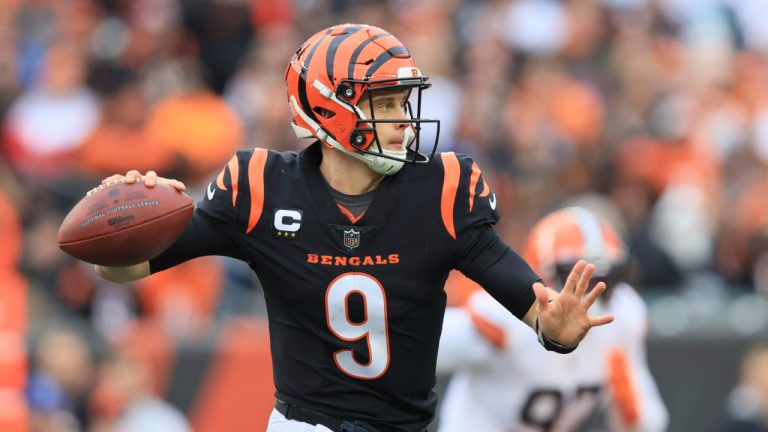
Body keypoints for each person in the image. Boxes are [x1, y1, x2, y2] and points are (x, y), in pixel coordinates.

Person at [89, 23, 613, 432]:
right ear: (329, 109)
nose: (404, 119)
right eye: (384, 103)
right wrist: (119, 227)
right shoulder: (263, 188)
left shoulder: (442, 192)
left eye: (402, 101)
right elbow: (127, 268)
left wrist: (556, 331)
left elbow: (528, 299)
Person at [437, 206, 669, 432]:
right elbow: (420, 345)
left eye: (606, 276)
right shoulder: (505, 320)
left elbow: (650, 421)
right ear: (540, 274)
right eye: (573, 276)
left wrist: (631, 413)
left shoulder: (621, 317)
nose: (588, 293)